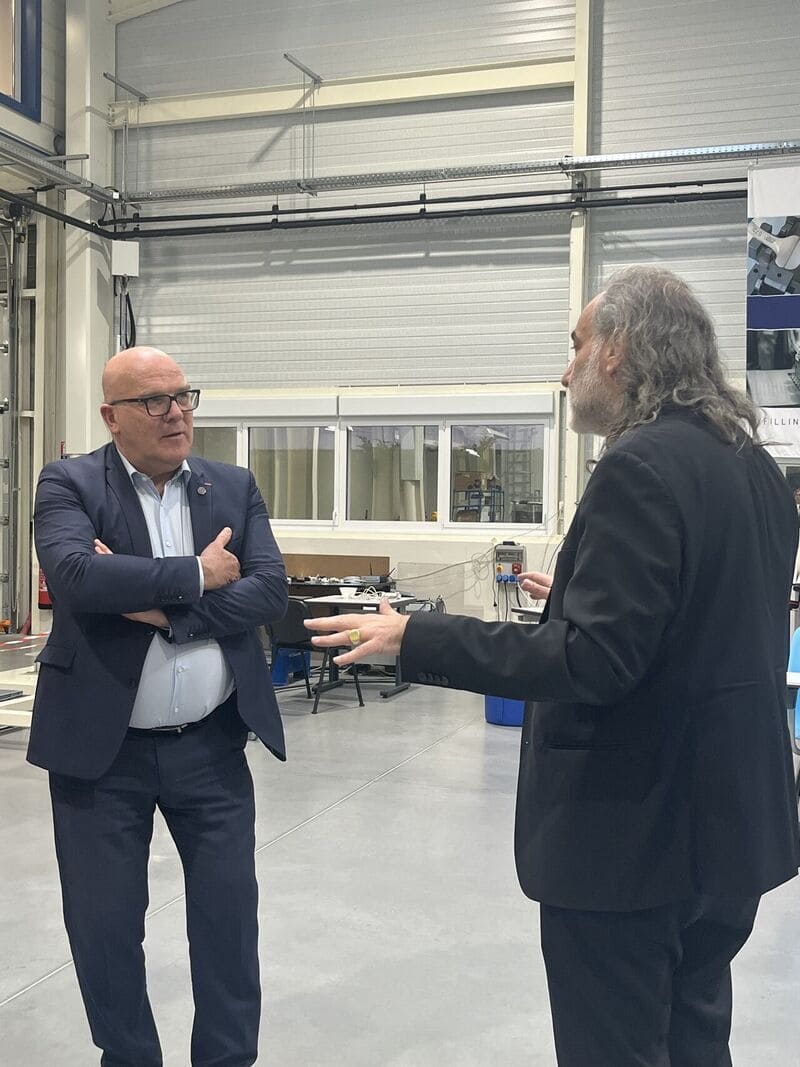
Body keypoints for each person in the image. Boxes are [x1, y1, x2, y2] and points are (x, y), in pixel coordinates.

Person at [306, 266, 800, 1067]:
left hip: (634, 839)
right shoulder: (752, 466)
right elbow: (704, 621)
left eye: (576, 346)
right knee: (695, 1039)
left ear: (619, 349)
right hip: (727, 834)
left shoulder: (638, 465)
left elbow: (593, 662)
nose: (566, 369)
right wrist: (576, 592)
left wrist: (416, 636)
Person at [28, 346, 288, 1067]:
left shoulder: (231, 486)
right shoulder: (69, 482)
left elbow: (270, 590)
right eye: (153, 400)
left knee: (229, 920)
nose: (175, 413)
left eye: (182, 396)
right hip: (101, 756)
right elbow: (76, 577)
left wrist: (157, 603)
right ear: (111, 417)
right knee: (106, 927)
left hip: (211, 747)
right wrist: (198, 575)